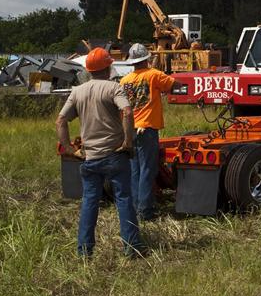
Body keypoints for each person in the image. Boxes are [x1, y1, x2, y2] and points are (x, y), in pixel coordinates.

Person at [58, 47, 144, 258]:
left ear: (88, 69)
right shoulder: (114, 88)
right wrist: (127, 142)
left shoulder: (77, 91)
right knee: (124, 199)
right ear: (108, 67)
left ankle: (84, 250)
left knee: (89, 202)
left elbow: (61, 120)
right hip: (114, 155)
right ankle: (132, 248)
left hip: (90, 157)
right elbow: (127, 111)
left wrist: (70, 149)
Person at [118, 43, 175, 221]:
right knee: (148, 170)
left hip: (130, 128)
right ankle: (146, 211)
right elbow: (173, 84)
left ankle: (135, 209)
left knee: (134, 170)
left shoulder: (124, 80)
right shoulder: (154, 75)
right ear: (147, 59)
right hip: (147, 128)